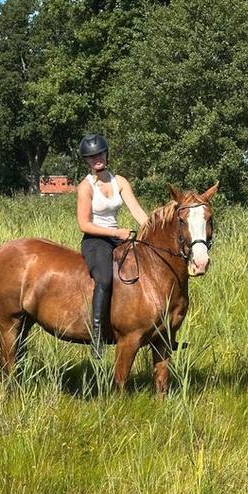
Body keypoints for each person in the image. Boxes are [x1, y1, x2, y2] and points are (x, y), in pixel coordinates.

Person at [76, 133, 149, 355]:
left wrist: (153, 228)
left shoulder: (120, 182)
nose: (96, 158)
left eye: (99, 153)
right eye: (91, 156)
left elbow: (136, 211)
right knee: (106, 278)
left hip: (118, 238)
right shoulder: (86, 187)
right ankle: (97, 338)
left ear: (106, 154)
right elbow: (84, 224)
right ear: (87, 161)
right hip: (96, 240)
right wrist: (116, 232)